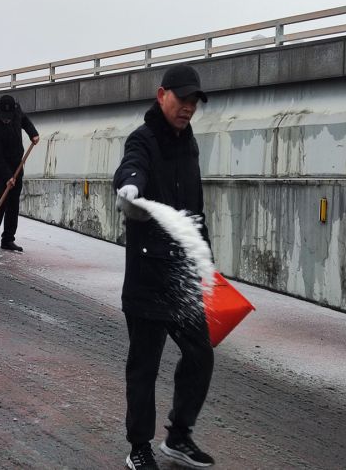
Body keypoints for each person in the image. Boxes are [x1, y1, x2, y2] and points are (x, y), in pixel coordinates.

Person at [113, 64, 215, 470]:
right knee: (144, 366)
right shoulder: (143, 138)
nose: (188, 107)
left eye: (194, 101)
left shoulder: (189, 145)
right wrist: (129, 188)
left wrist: (205, 262)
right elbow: (132, 166)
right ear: (162, 96)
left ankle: (178, 437)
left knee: (200, 355)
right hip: (147, 276)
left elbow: (195, 208)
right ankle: (139, 447)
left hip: (182, 276)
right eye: (182, 98)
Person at [0, 94, 40, 252]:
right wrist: (7, 177)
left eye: (8, 117)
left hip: (16, 163)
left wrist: (33, 133)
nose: (6, 120)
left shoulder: (17, 111)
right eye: (3, 117)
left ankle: (8, 239)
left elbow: (24, 120)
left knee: (13, 202)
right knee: (1, 198)